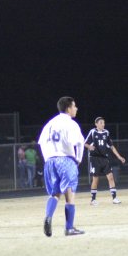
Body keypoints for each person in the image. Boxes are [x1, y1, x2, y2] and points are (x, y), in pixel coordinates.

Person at [38, 96, 86, 236]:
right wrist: (78, 159)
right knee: (69, 194)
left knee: (55, 193)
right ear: (68, 108)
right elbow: (79, 143)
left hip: (50, 161)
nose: (76, 109)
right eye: (74, 106)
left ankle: (48, 216)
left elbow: (41, 143)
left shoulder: (49, 124)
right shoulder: (71, 124)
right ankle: (69, 227)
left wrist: (48, 158)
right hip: (66, 159)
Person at [85, 117, 127, 205]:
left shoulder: (106, 133)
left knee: (111, 177)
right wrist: (89, 147)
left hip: (104, 158)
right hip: (95, 158)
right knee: (95, 179)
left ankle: (114, 198)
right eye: (100, 123)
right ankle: (93, 200)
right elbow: (85, 143)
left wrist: (119, 157)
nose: (103, 124)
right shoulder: (93, 132)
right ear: (96, 124)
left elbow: (111, 146)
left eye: (103, 123)